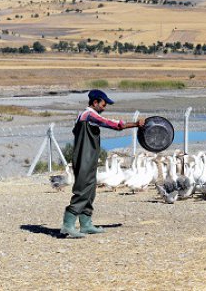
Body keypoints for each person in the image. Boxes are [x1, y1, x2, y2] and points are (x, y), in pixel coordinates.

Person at [60, 89, 145, 238]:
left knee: (90, 188)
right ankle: (68, 224)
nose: (104, 108)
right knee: (83, 188)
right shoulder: (88, 115)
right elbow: (112, 124)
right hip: (84, 157)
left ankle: (86, 223)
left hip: (89, 157)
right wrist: (135, 124)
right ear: (95, 102)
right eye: (103, 104)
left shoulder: (86, 116)